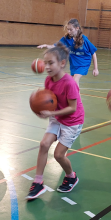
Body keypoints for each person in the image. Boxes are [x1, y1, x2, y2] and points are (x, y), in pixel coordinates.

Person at [26, 43, 85, 200]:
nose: (47, 66)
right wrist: (40, 108)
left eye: (50, 63)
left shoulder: (69, 83)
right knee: (44, 144)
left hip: (72, 121)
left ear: (62, 63)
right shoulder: (48, 80)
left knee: (59, 155)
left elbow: (72, 108)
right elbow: (50, 100)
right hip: (57, 117)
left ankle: (71, 176)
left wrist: (51, 112)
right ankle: (38, 182)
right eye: (45, 63)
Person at [38, 18, 99, 86]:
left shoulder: (84, 39)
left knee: (75, 80)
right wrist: (46, 45)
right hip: (74, 63)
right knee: (73, 82)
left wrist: (95, 68)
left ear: (77, 28)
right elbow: (55, 46)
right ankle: (76, 96)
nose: (69, 31)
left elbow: (93, 53)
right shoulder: (66, 39)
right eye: (68, 29)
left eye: (71, 29)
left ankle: (75, 96)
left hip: (83, 63)